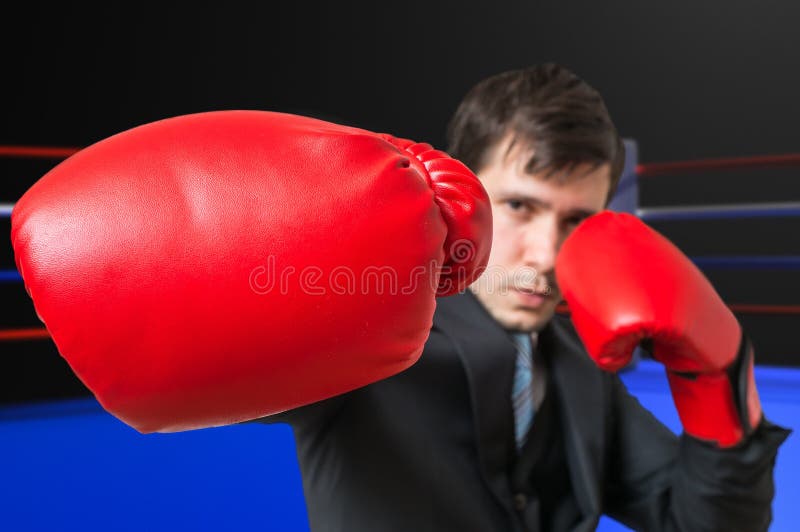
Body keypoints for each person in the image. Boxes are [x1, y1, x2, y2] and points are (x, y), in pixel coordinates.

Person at [257, 64, 789, 531]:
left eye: (576, 219)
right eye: (518, 206)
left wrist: (722, 385)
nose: (547, 255)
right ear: (458, 195)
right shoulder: (370, 341)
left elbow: (705, 525)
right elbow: (228, 375)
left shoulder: (585, 369)